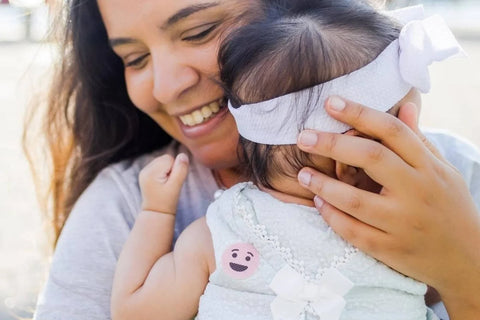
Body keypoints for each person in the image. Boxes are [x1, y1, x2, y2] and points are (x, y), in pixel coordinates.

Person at [25, 0, 480, 319]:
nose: (164, 87)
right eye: (134, 58)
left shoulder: (458, 179)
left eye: (199, 31)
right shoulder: (123, 203)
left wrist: (463, 271)